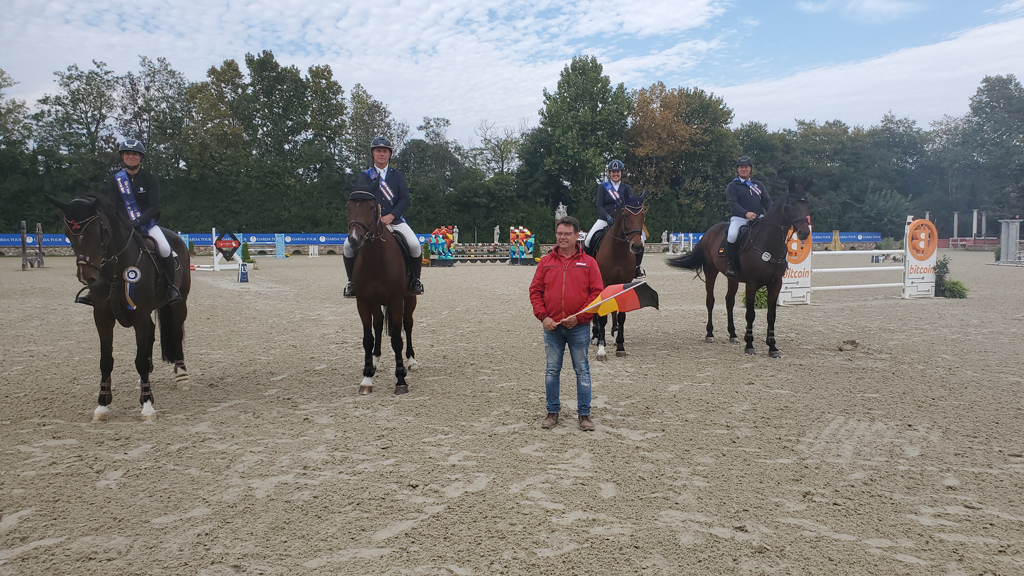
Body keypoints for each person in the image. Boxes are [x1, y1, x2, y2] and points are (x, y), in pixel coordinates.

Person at [77, 139, 181, 306]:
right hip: (122, 225)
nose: (130, 157)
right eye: (127, 154)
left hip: (146, 224)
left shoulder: (150, 178)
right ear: (122, 157)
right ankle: (94, 290)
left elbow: (154, 207)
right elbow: (112, 205)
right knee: (103, 249)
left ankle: (170, 287)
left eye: (134, 154)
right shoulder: (116, 179)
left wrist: (138, 220)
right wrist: (121, 222)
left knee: (164, 248)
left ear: (140, 157)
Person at [529, 216, 605, 431]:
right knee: (552, 370)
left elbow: (597, 294)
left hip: (578, 328)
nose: (562, 237)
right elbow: (535, 291)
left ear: (576, 236)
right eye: (559, 233)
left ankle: (584, 415)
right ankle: (552, 412)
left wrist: (580, 317)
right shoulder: (546, 262)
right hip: (552, 327)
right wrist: (543, 317)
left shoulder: (589, 262)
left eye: (567, 234)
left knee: (582, 370)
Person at [343, 136, 424, 297]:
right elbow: (360, 199)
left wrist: (392, 216)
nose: (382, 154)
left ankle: (415, 280)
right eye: (378, 151)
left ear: (389, 154)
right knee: (347, 246)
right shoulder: (365, 176)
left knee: (414, 245)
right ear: (373, 153)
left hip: (395, 220)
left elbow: (404, 199)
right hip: (371, 223)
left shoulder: (397, 175)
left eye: (385, 151)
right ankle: (352, 282)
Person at [583, 159, 645, 278]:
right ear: (609, 173)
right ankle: (587, 267)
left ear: (621, 173)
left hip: (623, 220)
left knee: (642, 238)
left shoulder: (626, 188)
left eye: (617, 172)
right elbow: (600, 206)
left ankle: (637, 267)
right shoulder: (603, 187)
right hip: (605, 218)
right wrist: (607, 217)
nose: (615, 174)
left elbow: (630, 205)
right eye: (613, 172)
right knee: (589, 238)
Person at [724, 156, 773, 277]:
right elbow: (733, 204)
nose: (744, 169)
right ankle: (731, 265)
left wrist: (772, 212)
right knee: (732, 235)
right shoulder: (733, 185)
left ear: (750, 169)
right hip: (739, 218)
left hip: (758, 218)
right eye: (741, 167)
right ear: (738, 169)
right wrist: (746, 213)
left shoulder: (758, 185)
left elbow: (766, 201)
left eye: (746, 167)